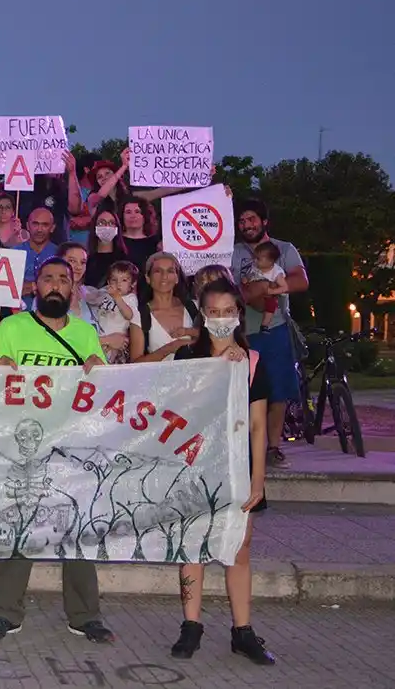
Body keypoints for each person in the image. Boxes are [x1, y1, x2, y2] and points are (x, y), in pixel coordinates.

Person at [0, 256, 112, 643]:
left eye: (63, 280)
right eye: (48, 279)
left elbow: (102, 391)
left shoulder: (87, 333)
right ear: (35, 287)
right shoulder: (12, 327)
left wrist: (97, 366)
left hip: (72, 445)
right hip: (25, 446)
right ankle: (6, 613)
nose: (55, 285)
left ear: (72, 289)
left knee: (78, 528)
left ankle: (85, 615)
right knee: (20, 528)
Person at [168, 278, 276, 666]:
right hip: (195, 467)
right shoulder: (187, 359)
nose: (220, 319)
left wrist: (258, 478)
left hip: (238, 470)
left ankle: (243, 632)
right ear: (202, 313)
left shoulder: (252, 363)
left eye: (228, 312)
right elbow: (176, 414)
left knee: (239, 551)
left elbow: (259, 426)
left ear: (238, 315)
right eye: (212, 312)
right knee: (192, 546)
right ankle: (191, 626)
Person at [231, 199, 308, 468]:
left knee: (277, 392)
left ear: (264, 221)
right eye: (241, 220)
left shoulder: (284, 250)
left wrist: (269, 289)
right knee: (240, 392)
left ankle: (273, 447)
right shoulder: (231, 251)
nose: (246, 225)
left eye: (251, 219)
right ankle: (243, 449)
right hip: (238, 332)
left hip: (274, 329)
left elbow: (300, 280)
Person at [130, 252, 201, 363]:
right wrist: (170, 348)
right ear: (148, 278)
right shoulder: (139, 316)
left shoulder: (195, 307)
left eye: (170, 271)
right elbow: (135, 364)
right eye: (158, 271)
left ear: (177, 278)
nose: (164, 276)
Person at [84, 260, 139, 364]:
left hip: (117, 344)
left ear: (132, 283)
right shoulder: (105, 294)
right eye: (114, 280)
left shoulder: (130, 298)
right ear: (108, 282)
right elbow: (91, 299)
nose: (118, 284)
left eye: (124, 280)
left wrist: (117, 297)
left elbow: (129, 315)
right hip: (101, 337)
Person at [13, 208, 59, 309]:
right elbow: (4, 289)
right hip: (16, 314)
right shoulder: (14, 253)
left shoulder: (60, 254)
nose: (39, 229)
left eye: (45, 225)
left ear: (52, 228)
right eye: (35, 224)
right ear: (28, 226)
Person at [244, 241, 286, 330]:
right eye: (254, 258)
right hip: (252, 293)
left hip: (268, 296)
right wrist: (246, 279)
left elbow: (285, 287)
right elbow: (250, 275)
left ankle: (265, 324)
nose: (255, 260)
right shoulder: (255, 266)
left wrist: (272, 291)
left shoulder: (277, 272)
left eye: (258, 259)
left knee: (271, 305)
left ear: (270, 261)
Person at [83, 207, 128, 288]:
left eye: (111, 223)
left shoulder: (125, 261)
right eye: (101, 223)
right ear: (94, 227)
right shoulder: (86, 260)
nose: (107, 226)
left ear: (117, 228)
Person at [118, 194, 160, 276]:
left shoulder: (156, 243)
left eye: (137, 212)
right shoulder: (116, 241)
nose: (133, 216)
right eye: (128, 212)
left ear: (145, 216)